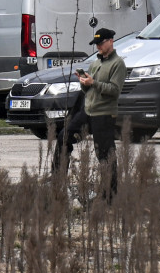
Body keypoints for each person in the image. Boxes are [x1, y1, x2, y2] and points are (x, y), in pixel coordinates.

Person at [52, 27, 128, 187]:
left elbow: (114, 91)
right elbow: (89, 90)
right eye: (96, 44)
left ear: (111, 41)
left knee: (105, 154)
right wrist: (84, 82)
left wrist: (93, 82)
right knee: (63, 137)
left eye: (101, 43)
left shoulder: (118, 64)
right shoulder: (95, 64)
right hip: (87, 111)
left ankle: (110, 194)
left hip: (104, 113)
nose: (98, 46)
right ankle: (57, 182)